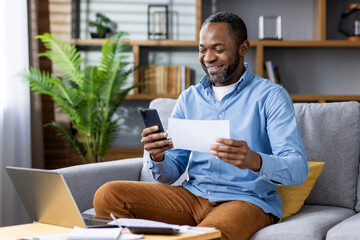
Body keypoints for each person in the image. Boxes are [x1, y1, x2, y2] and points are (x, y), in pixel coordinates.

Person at [94, 12, 308, 240]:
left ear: (243, 48)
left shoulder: (271, 96)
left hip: (246, 200)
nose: (208, 58)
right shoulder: (189, 98)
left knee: (207, 236)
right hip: (192, 197)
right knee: (108, 195)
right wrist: (157, 157)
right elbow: (171, 171)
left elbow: (297, 169)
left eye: (218, 49)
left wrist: (254, 160)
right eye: (202, 49)